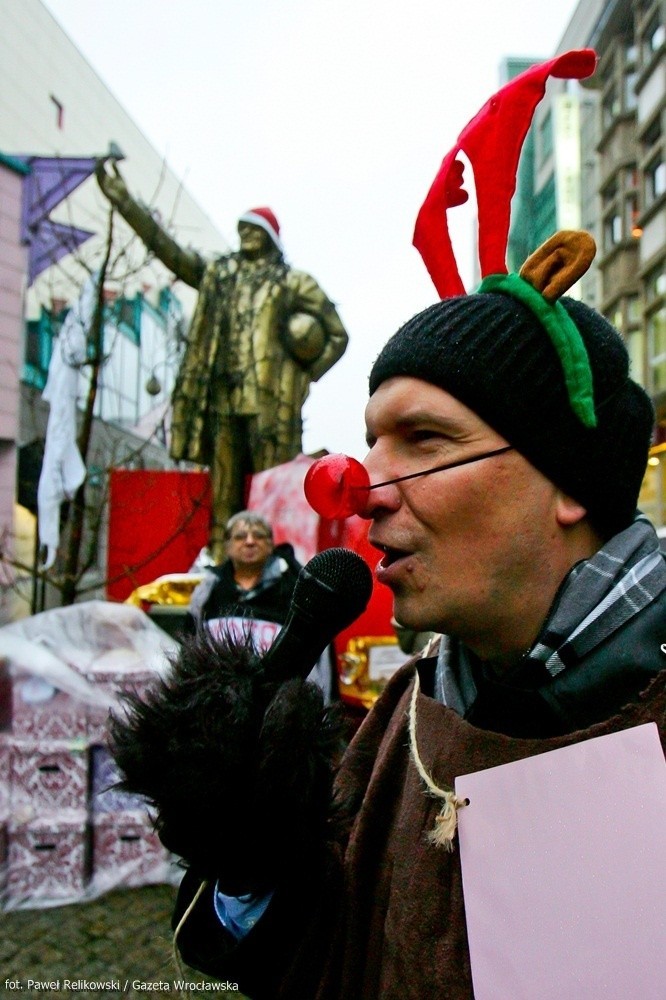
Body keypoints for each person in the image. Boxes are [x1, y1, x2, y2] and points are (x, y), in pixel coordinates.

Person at [108, 55, 666, 999]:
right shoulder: (396, 726)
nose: (363, 490)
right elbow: (301, 961)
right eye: (371, 444)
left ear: (567, 484)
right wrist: (247, 865)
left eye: (424, 440)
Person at [96, 161, 349, 561]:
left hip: (271, 405)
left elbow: (338, 334)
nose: (246, 234)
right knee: (224, 494)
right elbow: (171, 253)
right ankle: (218, 565)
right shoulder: (219, 273)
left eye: (255, 229)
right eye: (242, 228)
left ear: (270, 238)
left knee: (273, 491)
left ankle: (278, 566)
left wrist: (303, 380)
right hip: (223, 397)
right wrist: (125, 202)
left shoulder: (291, 282)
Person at [188, 509, 333, 700]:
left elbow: (318, 657)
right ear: (228, 546)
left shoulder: (295, 589)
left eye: (258, 536)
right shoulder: (208, 590)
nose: (250, 541)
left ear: (271, 544)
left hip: (277, 704)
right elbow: (189, 647)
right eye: (240, 537)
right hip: (217, 703)